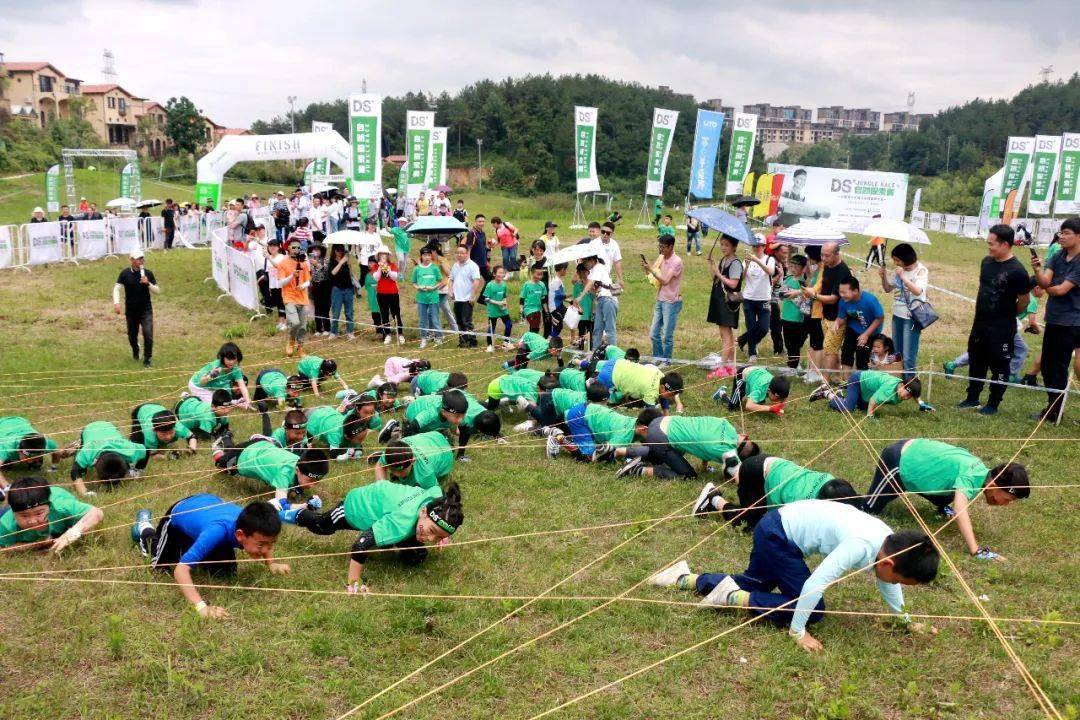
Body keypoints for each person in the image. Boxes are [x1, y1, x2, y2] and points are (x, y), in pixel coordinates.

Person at [650, 501, 940, 652]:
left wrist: (907, 622)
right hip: (778, 535)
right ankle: (729, 597)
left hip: (775, 527)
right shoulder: (862, 544)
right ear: (889, 563)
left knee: (756, 584)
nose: (896, 586)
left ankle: (684, 578)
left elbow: (887, 587)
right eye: (901, 580)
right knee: (814, 609)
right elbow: (815, 584)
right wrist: (798, 631)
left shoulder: (886, 543)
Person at [281, 480, 462, 593]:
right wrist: (354, 583)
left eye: (437, 537)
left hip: (385, 504)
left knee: (417, 556)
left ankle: (387, 542)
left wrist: (442, 533)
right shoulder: (400, 523)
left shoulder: (435, 502)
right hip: (357, 506)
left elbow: (437, 496)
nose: (431, 539)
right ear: (423, 512)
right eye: (431, 532)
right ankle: (287, 513)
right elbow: (360, 544)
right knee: (322, 526)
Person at [864, 439, 1029, 560]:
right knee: (868, 509)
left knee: (952, 491)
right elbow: (960, 510)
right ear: (994, 484)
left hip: (915, 453)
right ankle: (838, 490)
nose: (1005, 504)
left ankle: (941, 505)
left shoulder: (981, 472)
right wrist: (976, 550)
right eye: (1007, 499)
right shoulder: (971, 477)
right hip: (898, 462)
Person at [131, 496, 287, 618]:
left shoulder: (252, 527)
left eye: (271, 544)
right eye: (261, 545)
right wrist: (201, 607)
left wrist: (271, 563)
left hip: (208, 509)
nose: (266, 549)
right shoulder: (216, 531)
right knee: (161, 568)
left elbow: (266, 539)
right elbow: (180, 571)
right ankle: (145, 527)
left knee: (225, 574)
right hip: (179, 514)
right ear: (240, 535)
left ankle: (192, 544)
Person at [958, 225, 1031, 415]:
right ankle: (972, 397)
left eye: (992, 244)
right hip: (980, 323)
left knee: (1000, 365)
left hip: (1002, 328)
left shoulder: (1018, 271)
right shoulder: (987, 262)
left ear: (1005, 244)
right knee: (976, 360)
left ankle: (993, 403)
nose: (989, 247)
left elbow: (1024, 300)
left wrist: (1007, 314)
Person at [695, 455, 857, 528]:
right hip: (755, 474)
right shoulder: (800, 502)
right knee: (750, 523)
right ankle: (713, 498)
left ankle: (736, 474)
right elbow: (778, 522)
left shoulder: (832, 482)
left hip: (773, 462)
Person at [1030, 217, 1080, 422]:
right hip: (1054, 319)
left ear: (1078, 236)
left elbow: (1059, 290)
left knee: (1060, 366)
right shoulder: (1058, 255)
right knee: (1049, 366)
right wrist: (1037, 271)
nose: (1062, 236)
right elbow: (1045, 282)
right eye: (1061, 233)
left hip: (1073, 321)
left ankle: (1054, 411)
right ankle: (1053, 406)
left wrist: (1045, 287)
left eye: (1067, 233)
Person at [614, 412, 758, 480]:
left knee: (658, 454)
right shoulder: (727, 452)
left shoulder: (727, 425)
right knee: (688, 476)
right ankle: (638, 470)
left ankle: (617, 451)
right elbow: (739, 477)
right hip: (661, 436)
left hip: (663, 420)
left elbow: (705, 434)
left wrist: (704, 465)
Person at [213, 432, 329, 506]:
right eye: (310, 480)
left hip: (265, 445)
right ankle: (221, 442)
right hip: (245, 454)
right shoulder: (283, 473)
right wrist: (305, 506)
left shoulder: (300, 460)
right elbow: (281, 504)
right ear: (297, 470)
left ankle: (230, 437)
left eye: (316, 482)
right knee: (222, 466)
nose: (313, 485)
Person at [0, 477, 103, 553]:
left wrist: (72, 533)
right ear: (14, 513)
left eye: (39, 513)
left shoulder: (61, 506)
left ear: (50, 506)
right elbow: (5, 550)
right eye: (24, 516)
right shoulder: (6, 524)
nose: (33, 521)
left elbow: (96, 513)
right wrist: (40, 544)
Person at [878, 242, 929, 380]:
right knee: (898, 352)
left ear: (906, 258)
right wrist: (883, 277)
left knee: (908, 354)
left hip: (911, 317)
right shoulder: (899, 271)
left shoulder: (921, 270)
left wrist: (903, 277)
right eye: (894, 260)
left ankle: (910, 383)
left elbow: (918, 291)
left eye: (897, 260)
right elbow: (888, 289)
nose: (895, 263)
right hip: (897, 315)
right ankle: (899, 380)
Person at [803, 242, 851, 380]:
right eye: (822, 255)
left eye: (827, 255)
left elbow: (833, 298)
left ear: (837, 254)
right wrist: (811, 290)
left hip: (839, 318)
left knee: (829, 348)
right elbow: (821, 285)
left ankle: (825, 380)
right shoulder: (827, 266)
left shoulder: (843, 272)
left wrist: (814, 296)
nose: (823, 258)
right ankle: (838, 376)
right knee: (832, 349)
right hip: (826, 315)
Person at [68, 420, 150, 496]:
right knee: (81, 469)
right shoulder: (87, 452)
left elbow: (147, 450)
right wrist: (84, 491)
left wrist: (137, 470)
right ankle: (77, 444)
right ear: (95, 463)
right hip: (89, 429)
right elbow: (74, 472)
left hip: (109, 427)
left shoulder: (129, 450)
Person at [113, 248, 159, 368]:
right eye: (138, 259)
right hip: (131, 311)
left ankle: (147, 359)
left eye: (142, 258)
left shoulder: (148, 273)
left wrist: (148, 283)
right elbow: (116, 288)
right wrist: (116, 303)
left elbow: (157, 291)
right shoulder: (125, 273)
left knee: (148, 334)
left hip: (146, 310)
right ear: (131, 260)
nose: (141, 261)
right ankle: (135, 349)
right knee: (132, 335)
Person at [812, 369, 921, 418]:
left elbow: (914, 392)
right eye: (907, 394)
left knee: (862, 408)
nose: (907, 398)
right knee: (848, 409)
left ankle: (840, 396)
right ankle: (826, 393)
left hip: (866, 390)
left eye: (909, 397)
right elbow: (873, 400)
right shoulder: (889, 389)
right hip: (858, 381)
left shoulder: (904, 387)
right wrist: (870, 416)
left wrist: (921, 403)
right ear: (902, 385)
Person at [707, 235, 743, 377]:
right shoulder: (724, 260)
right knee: (725, 333)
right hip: (719, 300)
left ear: (734, 247)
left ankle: (723, 366)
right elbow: (715, 279)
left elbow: (733, 284)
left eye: (726, 245)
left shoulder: (735, 263)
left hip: (728, 303)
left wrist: (719, 274)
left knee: (726, 334)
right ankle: (731, 364)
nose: (723, 247)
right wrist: (711, 264)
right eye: (722, 244)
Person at [736, 239, 778, 363]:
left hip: (764, 298)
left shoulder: (769, 259)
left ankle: (742, 340)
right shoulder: (747, 259)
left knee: (764, 328)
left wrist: (756, 260)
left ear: (764, 246)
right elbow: (742, 278)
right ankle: (752, 353)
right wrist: (747, 265)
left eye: (759, 246)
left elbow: (770, 271)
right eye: (754, 246)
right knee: (751, 327)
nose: (757, 248)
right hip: (748, 298)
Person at [645, 235, 684, 361]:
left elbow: (666, 280)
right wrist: (648, 270)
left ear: (671, 247)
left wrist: (651, 270)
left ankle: (666, 361)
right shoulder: (661, 257)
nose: (660, 249)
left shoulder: (677, 261)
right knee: (654, 334)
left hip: (671, 302)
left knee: (667, 335)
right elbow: (655, 276)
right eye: (659, 246)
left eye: (663, 247)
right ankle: (658, 358)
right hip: (660, 299)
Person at [835, 277, 884, 374]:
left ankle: (861, 381)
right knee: (846, 352)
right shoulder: (843, 301)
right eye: (840, 292)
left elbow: (880, 318)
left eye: (844, 292)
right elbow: (841, 317)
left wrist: (866, 334)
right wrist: (837, 322)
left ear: (855, 291)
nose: (841, 295)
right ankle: (847, 381)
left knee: (862, 354)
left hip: (871, 331)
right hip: (853, 328)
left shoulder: (870, 300)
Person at [596, 357, 684, 411]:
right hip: (609, 378)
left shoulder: (661, 375)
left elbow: (663, 396)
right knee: (599, 403)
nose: (670, 398)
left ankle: (584, 364)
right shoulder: (651, 393)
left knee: (591, 367)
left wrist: (666, 415)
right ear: (662, 387)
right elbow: (651, 414)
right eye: (670, 395)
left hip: (617, 362)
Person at [0, 416, 60, 495]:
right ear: (19, 450)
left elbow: (56, 453)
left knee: (36, 466)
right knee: (5, 467)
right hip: (3, 425)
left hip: (21, 421)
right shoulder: (7, 447)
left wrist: (54, 467)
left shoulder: (46, 444)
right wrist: (7, 486)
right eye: (29, 458)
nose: (31, 460)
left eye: (37, 458)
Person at [375, 432, 455, 490]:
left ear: (413, 461)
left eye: (401, 471)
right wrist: (383, 487)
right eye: (393, 470)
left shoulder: (426, 474)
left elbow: (434, 494)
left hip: (446, 456)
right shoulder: (391, 452)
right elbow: (380, 465)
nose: (397, 474)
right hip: (433, 436)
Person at [277, 238, 312, 357]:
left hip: (302, 297)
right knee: (295, 322)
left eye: (298, 247)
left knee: (303, 326)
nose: (296, 250)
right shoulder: (283, 263)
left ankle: (300, 348)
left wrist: (303, 286)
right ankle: (291, 340)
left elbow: (308, 281)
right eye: (293, 247)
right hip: (289, 297)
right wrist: (292, 275)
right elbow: (281, 283)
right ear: (288, 248)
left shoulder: (303, 262)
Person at [188, 342, 251, 407]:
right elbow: (202, 383)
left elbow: (242, 386)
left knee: (223, 401)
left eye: (234, 359)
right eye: (229, 359)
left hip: (212, 387)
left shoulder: (236, 369)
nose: (231, 362)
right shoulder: (216, 366)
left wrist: (248, 401)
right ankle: (189, 398)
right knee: (214, 407)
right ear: (223, 357)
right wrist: (210, 376)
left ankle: (233, 402)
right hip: (198, 386)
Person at [712, 365, 788, 415]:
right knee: (733, 407)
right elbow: (748, 406)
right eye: (778, 398)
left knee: (759, 401)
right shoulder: (758, 389)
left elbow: (785, 396)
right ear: (769, 390)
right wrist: (770, 408)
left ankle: (759, 400)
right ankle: (722, 393)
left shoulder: (778, 385)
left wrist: (781, 406)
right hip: (742, 375)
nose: (779, 400)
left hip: (755, 372)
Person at [779, 254, 809, 370]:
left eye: (796, 267)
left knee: (795, 344)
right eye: (791, 266)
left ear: (803, 268)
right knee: (788, 343)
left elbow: (804, 299)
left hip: (797, 318)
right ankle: (793, 365)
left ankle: (793, 366)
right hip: (785, 317)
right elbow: (781, 295)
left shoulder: (803, 282)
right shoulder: (788, 279)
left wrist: (791, 294)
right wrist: (783, 293)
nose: (793, 269)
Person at [450, 243, 483, 347]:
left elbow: (476, 281)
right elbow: (451, 279)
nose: (459, 255)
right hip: (457, 298)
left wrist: (472, 296)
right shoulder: (455, 265)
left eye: (462, 253)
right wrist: (450, 291)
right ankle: (463, 341)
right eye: (458, 253)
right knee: (459, 321)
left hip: (467, 299)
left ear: (467, 253)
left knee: (467, 321)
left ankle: (473, 341)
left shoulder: (472, 266)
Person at [411, 245, 444, 349]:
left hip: (433, 297)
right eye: (425, 255)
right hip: (421, 298)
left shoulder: (434, 267)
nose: (427, 257)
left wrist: (433, 287)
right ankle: (423, 339)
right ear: (421, 256)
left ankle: (439, 338)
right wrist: (419, 288)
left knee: (435, 318)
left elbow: (440, 281)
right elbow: (414, 282)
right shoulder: (417, 269)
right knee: (422, 319)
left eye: (429, 255)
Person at [130, 403, 194, 454]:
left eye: (171, 432)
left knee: (172, 438)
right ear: (154, 430)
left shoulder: (177, 427)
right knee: (137, 443)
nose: (168, 436)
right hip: (139, 411)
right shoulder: (149, 435)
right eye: (164, 434)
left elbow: (192, 436)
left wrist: (192, 448)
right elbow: (152, 454)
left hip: (157, 406)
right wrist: (167, 457)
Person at [373, 249, 404, 346]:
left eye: (385, 254)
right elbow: (376, 278)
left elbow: (395, 277)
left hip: (393, 292)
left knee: (396, 313)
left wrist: (387, 268)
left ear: (387, 256)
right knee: (384, 314)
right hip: (381, 293)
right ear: (378, 256)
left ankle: (400, 334)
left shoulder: (393, 265)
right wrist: (380, 267)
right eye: (381, 254)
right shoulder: (375, 266)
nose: (383, 256)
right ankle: (387, 334)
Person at [484, 368, 551, 410]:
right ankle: (478, 404)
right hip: (496, 387)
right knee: (491, 407)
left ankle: (502, 401)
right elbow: (533, 407)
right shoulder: (531, 391)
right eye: (545, 392)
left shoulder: (536, 383)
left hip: (505, 379)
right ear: (539, 388)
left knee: (517, 398)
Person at [328, 244, 356, 340]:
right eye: (338, 250)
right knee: (335, 312)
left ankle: (350, 332)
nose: (340, 252)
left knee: (349, 312)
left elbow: (351, 275)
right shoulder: (331, 262)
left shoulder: (346, 261)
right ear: (334, 251)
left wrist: (349, 265)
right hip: (337, 290)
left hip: (348, 289)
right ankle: (333, 332)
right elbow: (332, 273)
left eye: (342, 250)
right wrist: (340, 263)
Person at [484, 265, 513, 352]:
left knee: (509, 325)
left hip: (503, 310)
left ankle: (506, 343)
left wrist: (504, 302)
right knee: (491, 328)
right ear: (494, 274)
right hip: (493, 311)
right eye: (499, 272)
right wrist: (497, 303)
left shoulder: (504, 285)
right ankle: (489, 346)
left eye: (503, 272)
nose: (502, 274)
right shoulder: (490, 285)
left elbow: (504, 296)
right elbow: (486, 298)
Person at [308, 244, 332, 336]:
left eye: (318, 250)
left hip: (325, 285)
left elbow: (326, 270)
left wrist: (317, 264)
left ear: (322, 251)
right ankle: (318, 329)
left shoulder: (325, 259)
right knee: (317, 308)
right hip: (314, 285)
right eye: (314, 250)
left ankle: (327, 328)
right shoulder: (310, 260)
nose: (316, 251)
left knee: (325, 308)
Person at [591, 221, 625, 286]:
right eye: (603, 232)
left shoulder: (614, 245)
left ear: (612, 233)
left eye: (608, 233)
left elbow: (617, 262)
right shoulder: (593, 244)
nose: (605, 234)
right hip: (593, 277)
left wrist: (620, 279)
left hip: (606, 278)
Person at [520, 262, 548, 334]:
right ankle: (529, 343)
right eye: (538, 274)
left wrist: (546, 312)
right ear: (532, 273)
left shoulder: (542, 285)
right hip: (529, 309)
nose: (540, 276)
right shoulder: (527, 285)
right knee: (533, 327)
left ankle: (531, 342)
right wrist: (521, 311)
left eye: (541, 274)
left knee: (536, 329)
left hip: (538, 309)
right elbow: (522, 299)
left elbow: (543, 300)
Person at [571, 263, 593, 350]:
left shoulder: (592, 285)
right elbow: (575, 300)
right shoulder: (577, 286)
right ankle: (580, 349)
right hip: (581, 314)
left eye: (584, 272)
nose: (582, 275)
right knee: (581, 333)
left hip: (591, 314)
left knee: (591, 333)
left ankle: (591, 350)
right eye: (579, 273)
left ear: (588, 272)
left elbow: (595, 298)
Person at [463, 214, 491, 282]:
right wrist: (468, 262)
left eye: (483, 221)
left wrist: (487, 260)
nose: (481, 223)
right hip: (474, 263)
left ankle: (483, 293)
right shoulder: (472, 233)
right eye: (479, 221)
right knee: (472, 282)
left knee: (489, 280)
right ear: (475, 222)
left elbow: (483, 247)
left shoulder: (483, 233)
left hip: (483, 263)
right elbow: (468, 248)